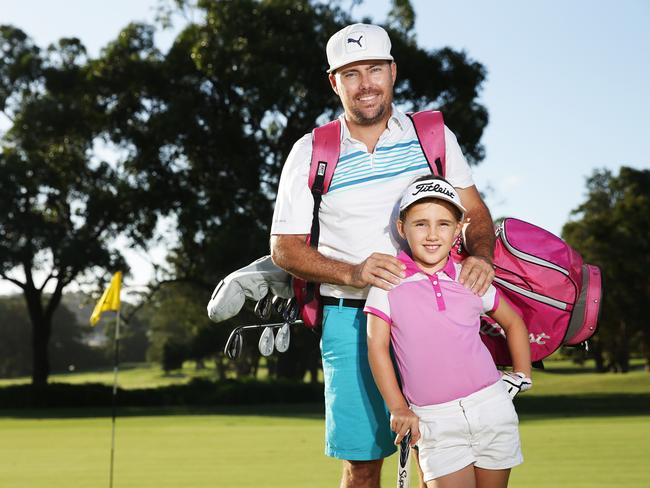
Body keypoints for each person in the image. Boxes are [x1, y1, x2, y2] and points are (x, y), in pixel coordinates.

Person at [270, 23, 496, 488]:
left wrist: (481, 256)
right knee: (362, 466)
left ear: (393, 72)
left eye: (375, 69)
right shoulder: (311, 151)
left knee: (445, 457)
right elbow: (285, 248)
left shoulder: (432, 135)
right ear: (334, 82)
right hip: (350, 320)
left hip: (435, 319)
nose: (365, 83)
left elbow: (473, 212)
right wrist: (353, 272)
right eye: (351, 74)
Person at [365, 175, 532, 488]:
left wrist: (521, 376)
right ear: (402, 228)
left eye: (443, 224)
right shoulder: (388, 282)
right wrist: (398, 407)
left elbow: (514, 322)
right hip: (435, 419)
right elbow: (376, 347)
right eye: (420, 224)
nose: (432, 234)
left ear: (458, 230)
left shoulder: (470, 275)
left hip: (491, 407)